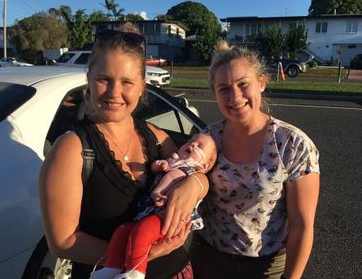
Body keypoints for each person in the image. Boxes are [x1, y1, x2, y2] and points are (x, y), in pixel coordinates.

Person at [39, 23, 209, 279]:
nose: (114, 92)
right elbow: (62, 241)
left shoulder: (157, 138)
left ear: (142, 87)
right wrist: (140, 255)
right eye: (104, 80)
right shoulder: (71, 150)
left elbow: (195, 172)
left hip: (176, 271)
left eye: (126, 82)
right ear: (89, 81)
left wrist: (195, 184)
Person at [189, 41, 320, 279]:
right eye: (224, 89)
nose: (235, 96)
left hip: (266, 268)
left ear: (261, 82)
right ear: (215, 94)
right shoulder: (209, 139)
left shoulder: (292, 144)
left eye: (243, 84)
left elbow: (301, 226)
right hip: (208, 260)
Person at [91, 133, 217, 279]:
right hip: (148, 213)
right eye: (191, 141)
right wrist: (158, 165)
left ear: (204, 165)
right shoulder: (172, 162)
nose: (193, 144)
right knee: (122, 231)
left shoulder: (190, 172)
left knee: (141, 232)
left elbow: (187, 190)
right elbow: (155, 169)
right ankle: (111, 269)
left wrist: (194, 183)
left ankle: (135, 273)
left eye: (200, 146)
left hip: (166, 216)